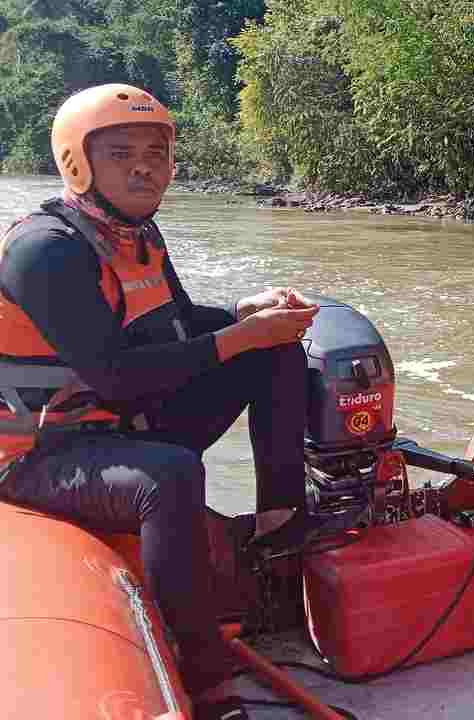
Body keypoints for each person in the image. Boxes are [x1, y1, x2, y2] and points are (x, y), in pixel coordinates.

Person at [0, 84, 326, 719]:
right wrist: (236, 337)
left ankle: (278, 542)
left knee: (277, 352)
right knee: (170, 476)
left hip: (117, 423)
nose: (144, 166)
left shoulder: (138, 233)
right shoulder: (46, 252)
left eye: (157, 152)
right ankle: (207, 678)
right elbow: (117, 373)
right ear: (78, 163)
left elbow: (175, 323)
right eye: (121, 153)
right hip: (37, 452)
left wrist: (244, 315)